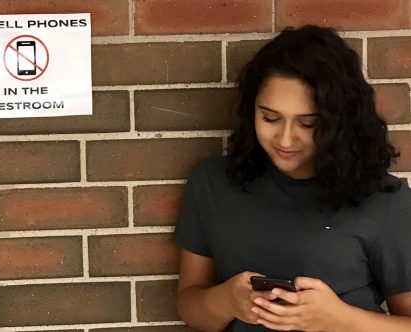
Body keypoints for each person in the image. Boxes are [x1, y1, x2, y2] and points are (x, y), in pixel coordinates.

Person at [173, 25, 411, 331]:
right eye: (270, 118)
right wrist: (228, 300)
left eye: (308, 123)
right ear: (251, 111)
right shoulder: (213, 182)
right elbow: (189, 305)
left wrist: (341, 320)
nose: (285, 139)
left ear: (340, 121)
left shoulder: (384, 199)